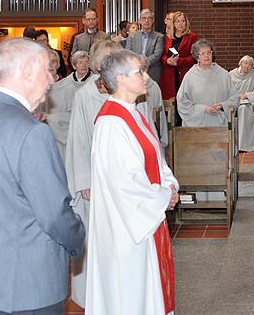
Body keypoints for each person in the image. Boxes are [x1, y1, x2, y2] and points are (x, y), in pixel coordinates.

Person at [0, 38, 85, 315]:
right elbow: (53, 213)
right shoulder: (32, 132)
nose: (51, 80)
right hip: (27, 279)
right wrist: (79, 239)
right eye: (47, 71)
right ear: (27, 70)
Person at [85, 50, 178, 314]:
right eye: (140, 71)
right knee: (131, 295)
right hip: (127, 229)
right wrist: (162, 196)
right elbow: (123, 183)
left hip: (147, 216)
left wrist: (170, 185)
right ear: (121, 79)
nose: (147, 76)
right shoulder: (111, 123)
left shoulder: (133, 112)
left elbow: (155, 156)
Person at [64, 40, 121, 308]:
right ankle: (91, 298)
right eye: (107, 59)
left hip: (121, 179)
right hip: (95, 180)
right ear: (98, 65)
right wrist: (84, 180)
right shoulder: (85, 94)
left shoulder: (124, 90)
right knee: (94, 240)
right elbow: (78, 139)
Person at [177, 39, 239, 127]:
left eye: (209, 52)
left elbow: (235, 98)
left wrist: (222, 105)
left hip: (219, 124)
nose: (207, 56)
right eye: (202, 53)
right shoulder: (190, 76)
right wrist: (203, 109)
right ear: (197, 57)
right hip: (196, 124)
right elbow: (182, 101)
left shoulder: (223, 74)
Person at [45, 51, 92, 159]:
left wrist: (53, 119)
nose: (50, 65)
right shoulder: (34, 87)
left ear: (58, 64)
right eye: (47, 62)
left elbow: (76, 114)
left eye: (54, 62)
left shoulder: (68, 85)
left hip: (65, 140)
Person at [160, 11, 198, 100]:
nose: (180, 24)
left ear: (186, 22)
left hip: (185, 73)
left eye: (183, 21)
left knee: (185, 101)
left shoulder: (192, 36)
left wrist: (178, 62)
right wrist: (167, 61)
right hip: (169, 75)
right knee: (171, 104)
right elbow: (163, 55)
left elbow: (194, 57)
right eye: (177, 21)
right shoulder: (167, 37)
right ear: (173, 23)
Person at [228, 55, 254, 151]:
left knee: (244, 109)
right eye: (245, 63)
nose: (247, 66)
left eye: (250, 65)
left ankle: (244, 144)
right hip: (234, 101)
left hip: (249, 102)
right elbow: (228, 90)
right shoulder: (231, 74)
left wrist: (247, 95)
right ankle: (235, 143)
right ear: (240, 63)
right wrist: (237, 97)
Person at [136, 55, 168, 147]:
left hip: (150, 125)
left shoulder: (153, 86)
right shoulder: (129, 85)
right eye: (140, 68)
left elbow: (159, 112)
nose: (142, 71)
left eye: (145, 67)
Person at [126, 9, 165, 82]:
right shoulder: (132, 36)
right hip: (134, 71)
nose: (147, 21)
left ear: (153, 21)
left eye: (150, 18)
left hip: (152, 72)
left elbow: (157, 54)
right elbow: (128, 52)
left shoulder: (159, 37)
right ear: (139, 21)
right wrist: (137, 63)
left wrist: (145, 62)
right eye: (144, 18)